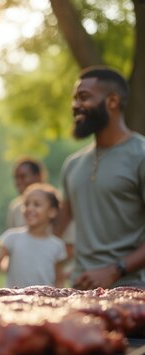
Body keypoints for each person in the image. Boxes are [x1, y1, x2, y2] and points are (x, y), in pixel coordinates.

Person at [54, 66, 145, 289]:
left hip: (132, 291)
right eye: (74, 99)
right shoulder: (72, 164)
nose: (75, 106)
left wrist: (114, 270)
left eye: (84, 97)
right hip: (79, 289)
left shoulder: (141, 154)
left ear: (112, 101)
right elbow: (57, 230)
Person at [0, 183, 68, 288]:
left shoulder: (57, 246)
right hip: (13, 301)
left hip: (44, 302)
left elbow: (59, 280)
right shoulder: (11, 237)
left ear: (52, 212)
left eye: (36, 205)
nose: (29, 208)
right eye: (26, 204)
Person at [6, 157, 46, 229]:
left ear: (38, 176)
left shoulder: (53, 203)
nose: (18, 182)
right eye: (16, 178)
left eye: (23, 177)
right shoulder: (15, 207)